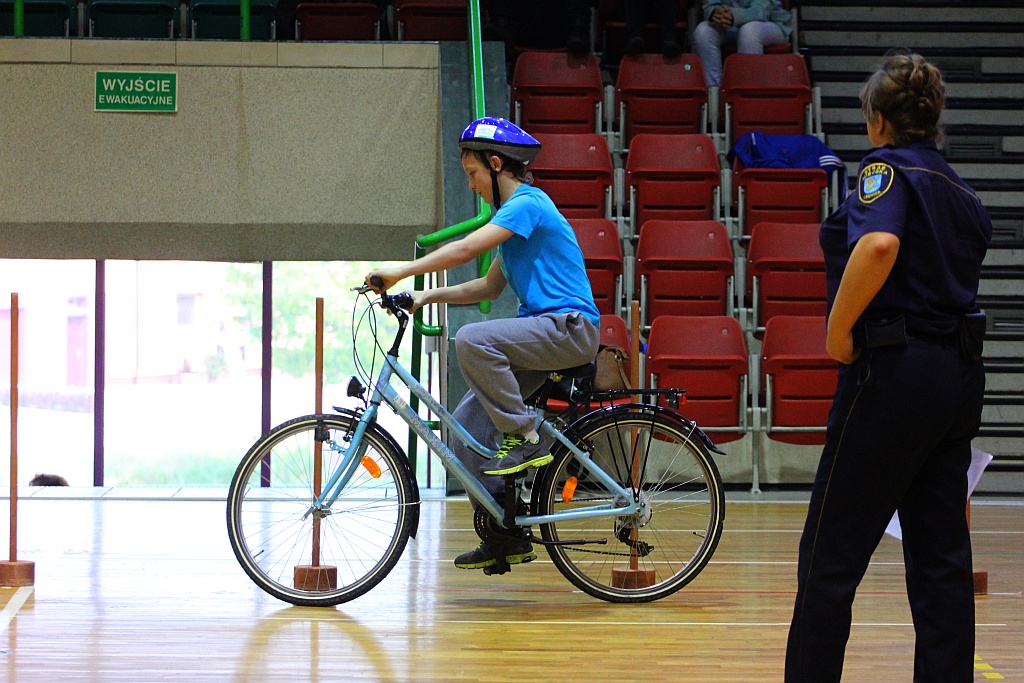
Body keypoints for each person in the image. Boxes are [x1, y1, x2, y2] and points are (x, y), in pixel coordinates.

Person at [784, 52, 992, 682]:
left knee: (830, 557)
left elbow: (878, 243)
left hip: (894, 376)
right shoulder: (962, 190)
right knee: (941, 562)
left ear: (878, 119)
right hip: (957, 382)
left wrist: (837, 330)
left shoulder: (884, 170)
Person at [366, 117, 600, 572]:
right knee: (467, 429)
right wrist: (424, 296)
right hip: (546, 333)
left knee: (472, 338)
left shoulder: (527, 204)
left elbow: (465, 250)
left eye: (473, 174)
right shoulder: (512, 226)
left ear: (496, 165)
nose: (471, 185)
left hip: (569, 329)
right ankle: (505, 534)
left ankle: (528, 437)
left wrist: (401, 271)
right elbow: (488, 289)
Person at [692, 0, 792, 87]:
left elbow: (761, 11)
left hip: (770, 23)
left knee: (749, 32)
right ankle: (713, 94)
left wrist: (734, 15)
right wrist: (715, 12)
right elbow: (710, 5)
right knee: (703, 31)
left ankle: (747, 93)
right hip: (728, 24)